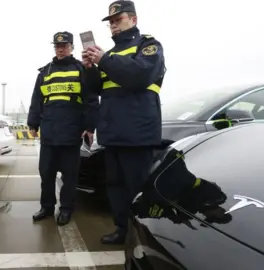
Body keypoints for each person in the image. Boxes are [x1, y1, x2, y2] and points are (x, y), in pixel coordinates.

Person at [81, 0, 166, 244]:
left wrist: (103, 60)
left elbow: (139, 75)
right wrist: (89, 69)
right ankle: (122, 230)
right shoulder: (111, 54)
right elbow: (97, 88)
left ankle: (143, 235)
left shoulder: (149, 45)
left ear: (133, 20)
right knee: (115, 187)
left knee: (136, 187)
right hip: (113, 132)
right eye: (111, 23)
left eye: (118, 20)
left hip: (137, 132)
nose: (114, 26)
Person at [28, 31, 98, 226]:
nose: (60, 49)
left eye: (64, 45)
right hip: (49, 132)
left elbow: (91, 99)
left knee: (70, 176)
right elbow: (37, 99)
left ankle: (66, 209)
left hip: (71, 132)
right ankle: (47, 207)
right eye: (57, 46)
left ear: (72, 47)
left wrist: (90, 126)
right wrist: (33, 123)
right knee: (46, 174)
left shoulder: (80, 69)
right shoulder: (45, 72)